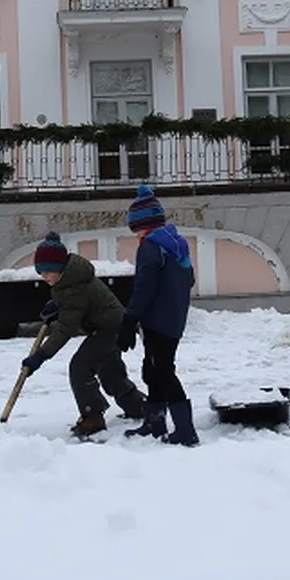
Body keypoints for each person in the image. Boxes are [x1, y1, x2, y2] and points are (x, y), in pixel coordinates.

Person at [21, 231, 148, 438]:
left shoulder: (73, 287)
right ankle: (138, 406)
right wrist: (58, 305)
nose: (44, 277)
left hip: (109, 329)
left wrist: (41, 355)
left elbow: (65, 329)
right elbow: (77, 304)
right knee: (110, 372)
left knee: (80, 367)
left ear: (59, 268)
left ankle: (93, 417)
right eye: (40, 273)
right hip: (115, 326)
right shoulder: (71, 279)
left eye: (47, 272)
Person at [117, 184, 199, 446]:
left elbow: (144, 289)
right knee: (153, 370)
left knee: (162, 372)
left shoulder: (150, 247)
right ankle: (154, 423)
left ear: (143, 224)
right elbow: (190, 279)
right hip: (175, 320)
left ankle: (186, 431)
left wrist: (129, 320)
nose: (136, 234)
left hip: (157, 322)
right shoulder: (177, 243)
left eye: (136, 228)